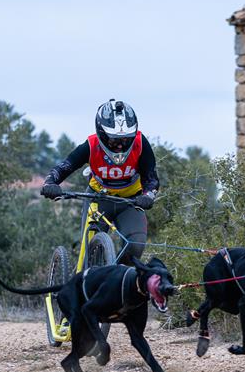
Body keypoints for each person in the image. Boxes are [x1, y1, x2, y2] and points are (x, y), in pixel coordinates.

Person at [40, 99, 159, 264]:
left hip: (130, 201)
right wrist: (50, 183)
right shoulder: (91, 145)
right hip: (97, 199)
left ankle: (115, 281)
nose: (119, 146)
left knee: (135, 246)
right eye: (114, 140)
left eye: (125, 140)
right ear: (102, 134)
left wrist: (148, 195)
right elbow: (64, 167)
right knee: (90, 254)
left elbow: (151, 178)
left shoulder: (140, 143)